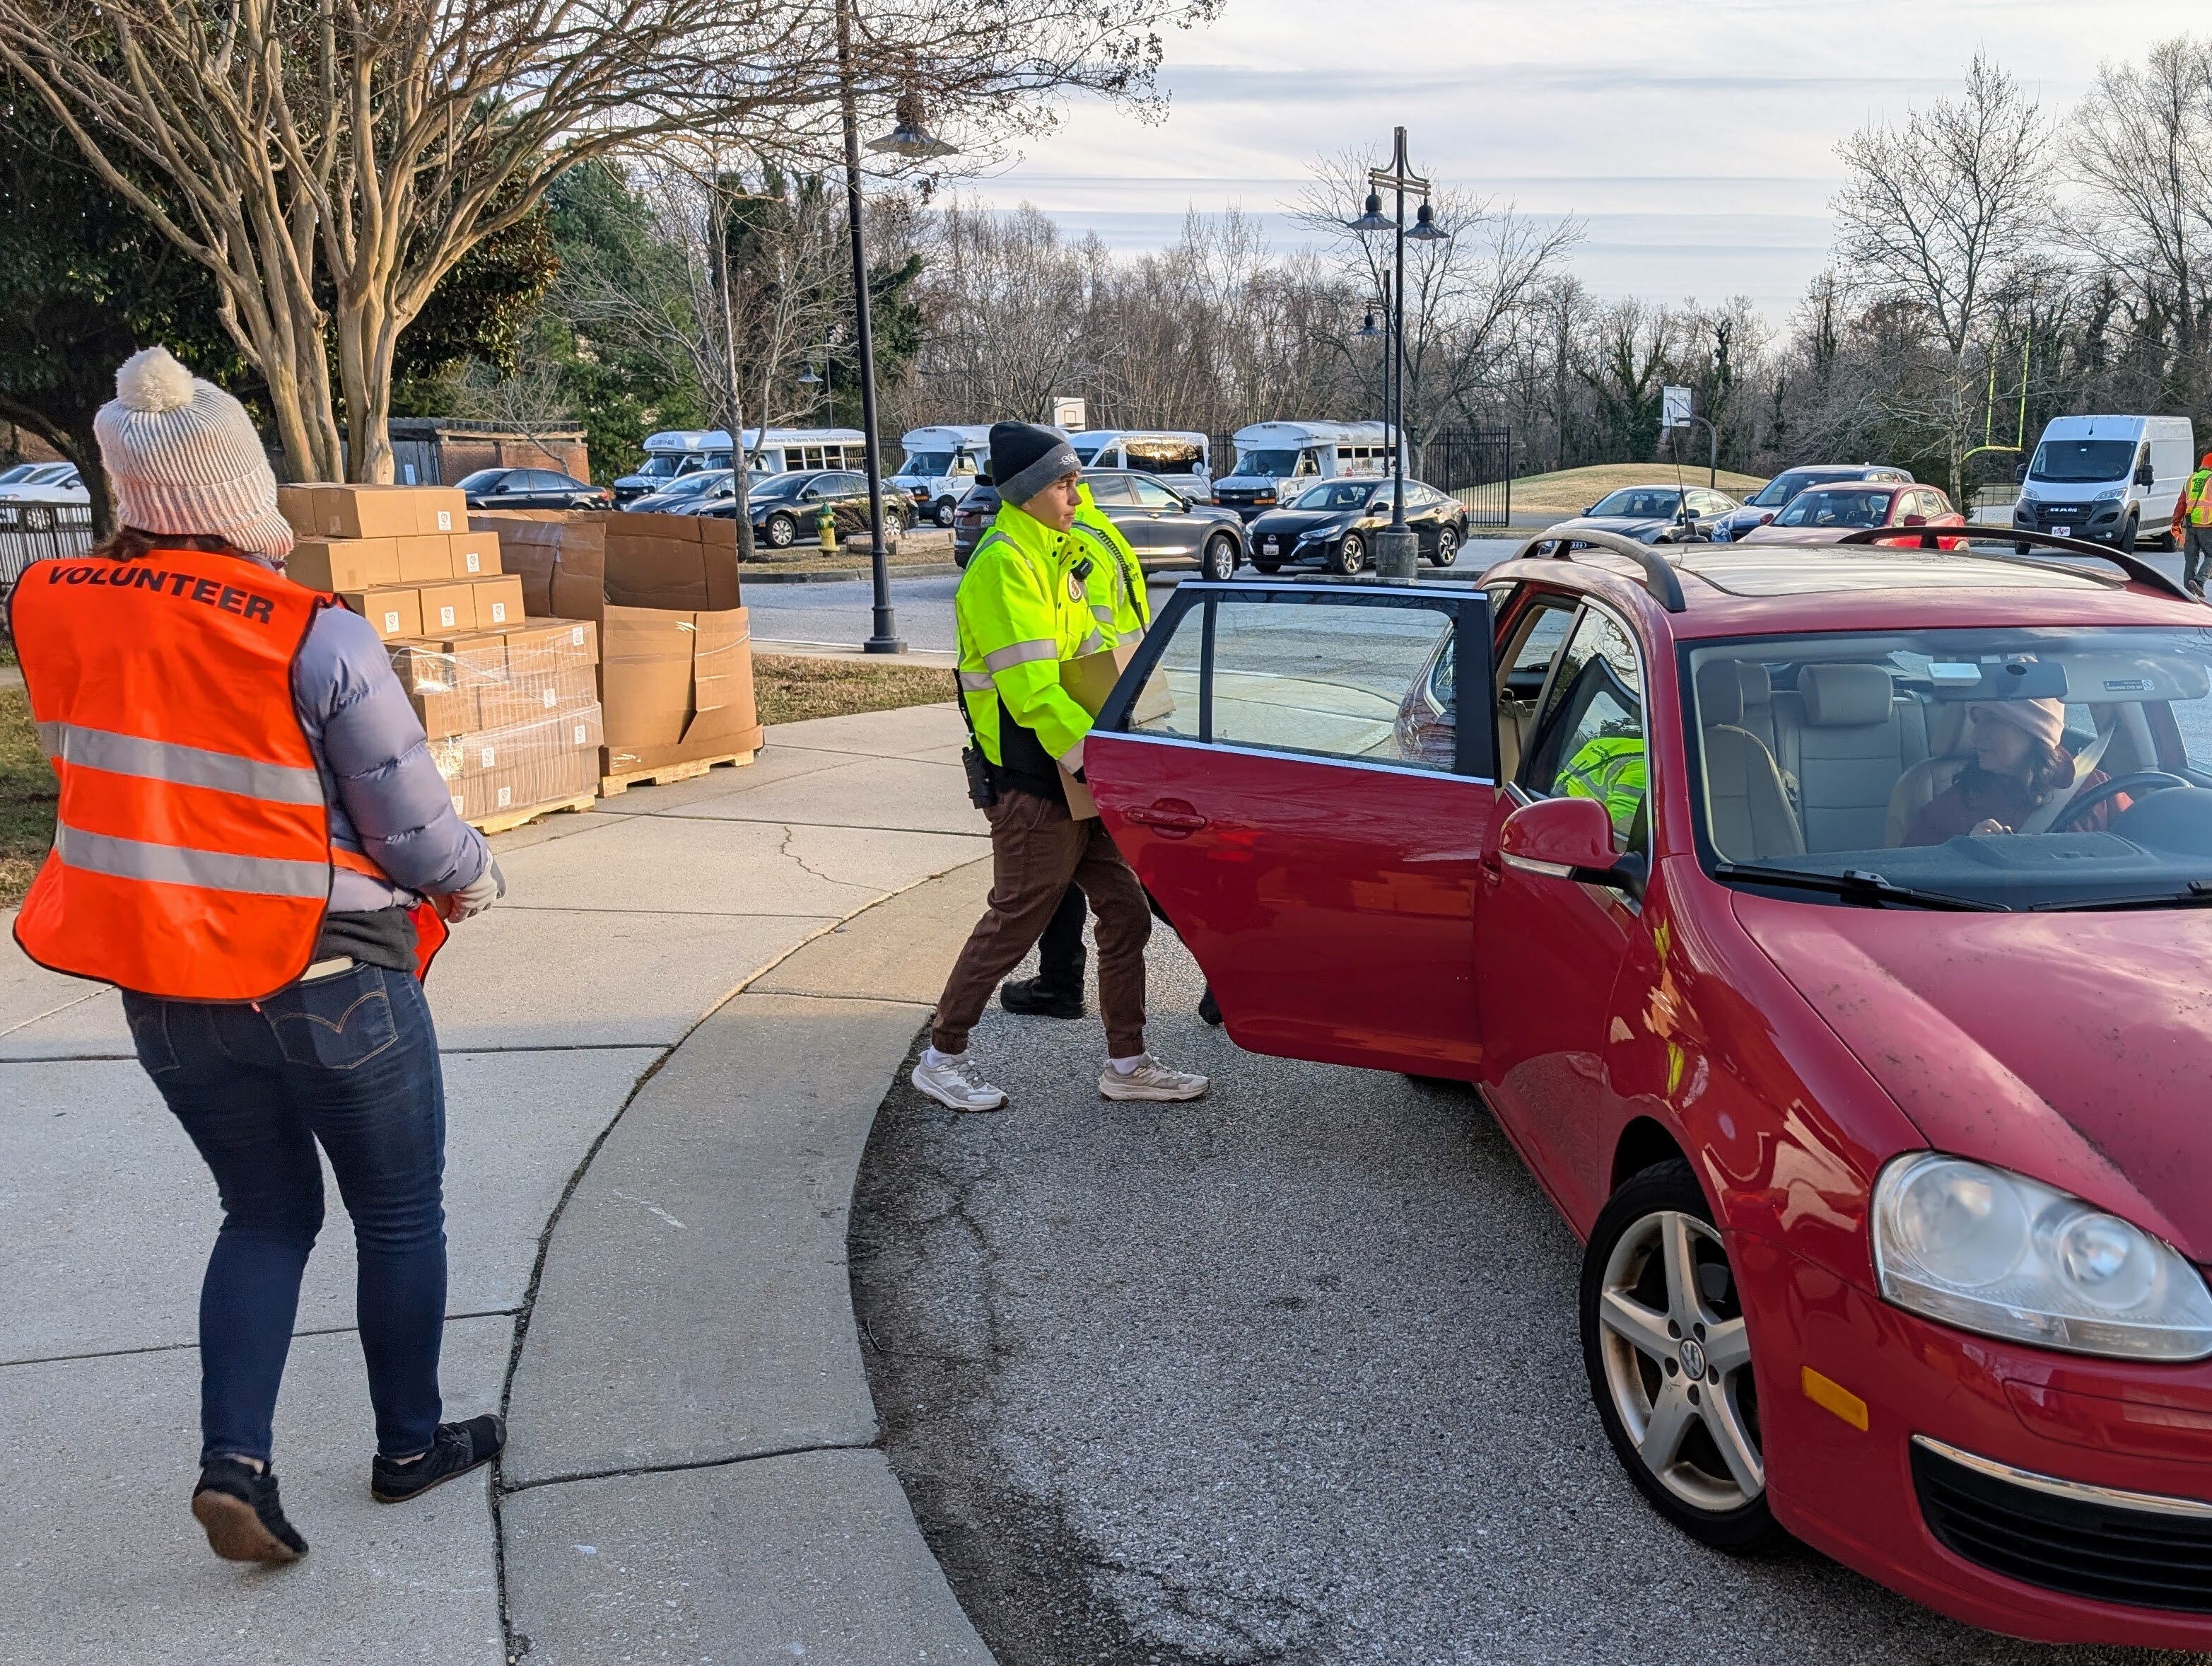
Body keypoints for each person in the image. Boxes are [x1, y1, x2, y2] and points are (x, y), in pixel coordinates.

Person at [10, 346, 506, 1566]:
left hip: (168, 984)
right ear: (238, 498)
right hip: (329, 974)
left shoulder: (51, 603)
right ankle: (408, 1446)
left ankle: (234, 1462)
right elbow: (408, 818)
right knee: (396, 1212)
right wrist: (473, 875)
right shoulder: (309, 633)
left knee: (263, 1212)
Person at [913, 422, 1209, 1112]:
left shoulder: (1057, 554)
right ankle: (942, 1055)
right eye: (1063, 482)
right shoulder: (1002, 565)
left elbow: (1088, 663)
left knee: (1126, 912)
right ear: (1026, 491)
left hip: (1073, 777)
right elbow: (1034, 690)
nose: (1078, 493)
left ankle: (1127, 1064)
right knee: (1014, 921)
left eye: (1075, 480)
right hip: (1032, 782)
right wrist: (1101, 760)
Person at [1904, 697, 2120, 844]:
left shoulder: (2098, 790)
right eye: (1977, 721)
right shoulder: (1951, 809)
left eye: (1993, 721)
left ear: (2036, 731)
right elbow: (1910, 887)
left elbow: (2144, 855)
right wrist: (1966, 855)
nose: (1976, 736)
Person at [2177, 449, 2212, 600]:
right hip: (2207, 524)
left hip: (2191, 526)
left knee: (2191, 560)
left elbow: (2181, 504)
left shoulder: (2191, 479)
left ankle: (2187, 595)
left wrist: (2175, 523)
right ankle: (2199, 581)